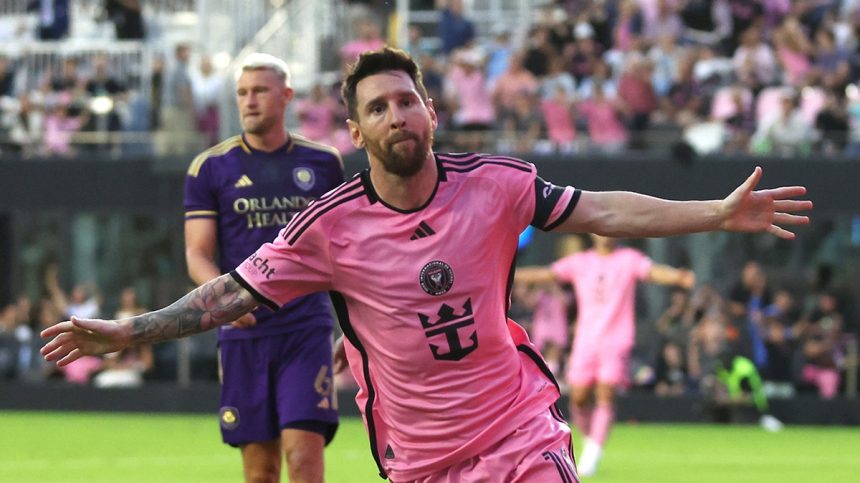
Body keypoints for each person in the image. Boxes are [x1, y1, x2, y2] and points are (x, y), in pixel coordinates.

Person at [41, 47, 812, 483]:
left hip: (518, 429)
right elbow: (225, 292)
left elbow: (605, 209)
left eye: (407, 100)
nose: (397, 115)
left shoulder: (498, 186)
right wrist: (130, 331)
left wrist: (714, 212)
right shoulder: (328, 227)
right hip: (420, 458)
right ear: (355, 130)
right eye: (377, 107)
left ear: (432, 111)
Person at [183, 53, 343, 482]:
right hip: (243, 332)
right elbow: (197, 253)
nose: (249, 100)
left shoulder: (325, 163)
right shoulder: (209, 167)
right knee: (260, 472)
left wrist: (355, 326)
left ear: (286, 95)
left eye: (260, 91)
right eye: (242, 93)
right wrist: (223, 299)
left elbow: (343, 253)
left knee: (304, 457)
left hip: (306, 328)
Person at [515, 234, 696, 477]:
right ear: (592, 233)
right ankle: (592, 440)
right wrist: (508, 271)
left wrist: (678, 276)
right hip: (585, 341)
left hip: (616, 339)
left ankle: (592, 453)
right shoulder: (580, 262)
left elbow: (652, 271)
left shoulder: (628, 259)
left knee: (605, 392)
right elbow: (547, 273)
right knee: (578, 396)